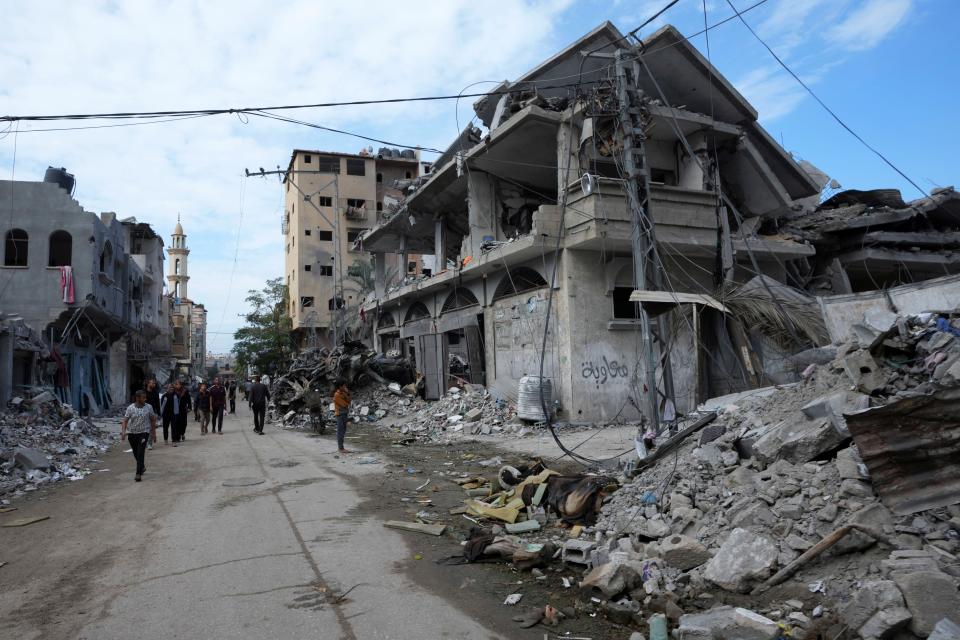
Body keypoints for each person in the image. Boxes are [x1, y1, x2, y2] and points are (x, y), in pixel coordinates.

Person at [121, 390, 157, 482]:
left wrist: (153, 433)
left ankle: (138, 473)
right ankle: (142, 466)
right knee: (136, 453)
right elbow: (125, 420)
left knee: (141, 452)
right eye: (143, 397)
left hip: (144, 433)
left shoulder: (149, 407)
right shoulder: (130, 408)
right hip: (132, 433)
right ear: (137, 398)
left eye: (145, 397)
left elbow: (153, 420)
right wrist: (123, 432)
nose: (145, 399)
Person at [333, 377, 352, 454]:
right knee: (340, 431)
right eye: (344, 386)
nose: (345, 387)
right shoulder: (337, 395)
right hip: (340, 415)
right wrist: (347, 401)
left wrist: (348, 393)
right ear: (340, 386)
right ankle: (340, 448)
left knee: (343, 431)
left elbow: (349, 400)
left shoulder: (343, 393)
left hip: (344, 414)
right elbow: (345, 404)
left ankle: (341, 447)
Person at [173, 380, 192, 444]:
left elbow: (188, 399)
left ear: (181, 385)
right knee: (177, 423)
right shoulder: (173, 391)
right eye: (175, 384)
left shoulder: (185, 391)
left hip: (183, 409)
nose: (176, 385)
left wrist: (189, 407)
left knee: (184, 423)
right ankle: (177, 437)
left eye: (177, 384)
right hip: (175, 409)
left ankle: (182, 433)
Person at [144, 379, 162, 449]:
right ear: (148, 384)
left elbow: (157, 403)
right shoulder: (143, 392)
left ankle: (149, 443)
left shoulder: (155, 393)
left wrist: (159, 413)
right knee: (144, 428)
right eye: (152, 383)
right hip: (143, 412)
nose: (154, 385)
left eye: (154, 383)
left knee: (151, 428)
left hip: (152, 412)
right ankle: (144, 442)